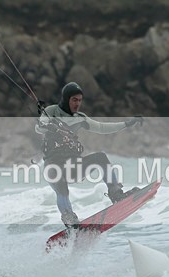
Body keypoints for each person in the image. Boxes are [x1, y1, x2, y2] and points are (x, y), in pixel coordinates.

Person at [37, 82, 144, 227]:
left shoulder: (80, 118)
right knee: (62, 188)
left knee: (100, 157)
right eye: (74, 100)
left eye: (80, 100)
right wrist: (48, 126)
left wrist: (127, 124)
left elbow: (101, 127)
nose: (77, 103)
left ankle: (116, 194)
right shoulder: (50, 112)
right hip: (53, 166)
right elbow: (39, 127)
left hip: (73, 165)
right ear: (66, 98)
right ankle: (70, 220)